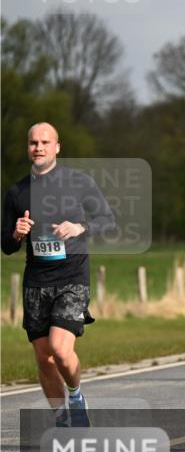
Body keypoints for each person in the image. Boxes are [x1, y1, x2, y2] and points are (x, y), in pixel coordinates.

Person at [2, 122, 115, 428]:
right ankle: (62, 419)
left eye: (44, 142)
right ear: (28, 147)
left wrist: (80, 227)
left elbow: (108, 220)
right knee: (43, 358)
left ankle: (76, 396)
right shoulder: (17, 192)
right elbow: (6, 246)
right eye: (33, 143)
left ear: (57, 147)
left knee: (60, 351)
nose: (38, 147)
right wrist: (15, 233)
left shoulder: (79, 183)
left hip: (72, 277)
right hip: (36, 282)